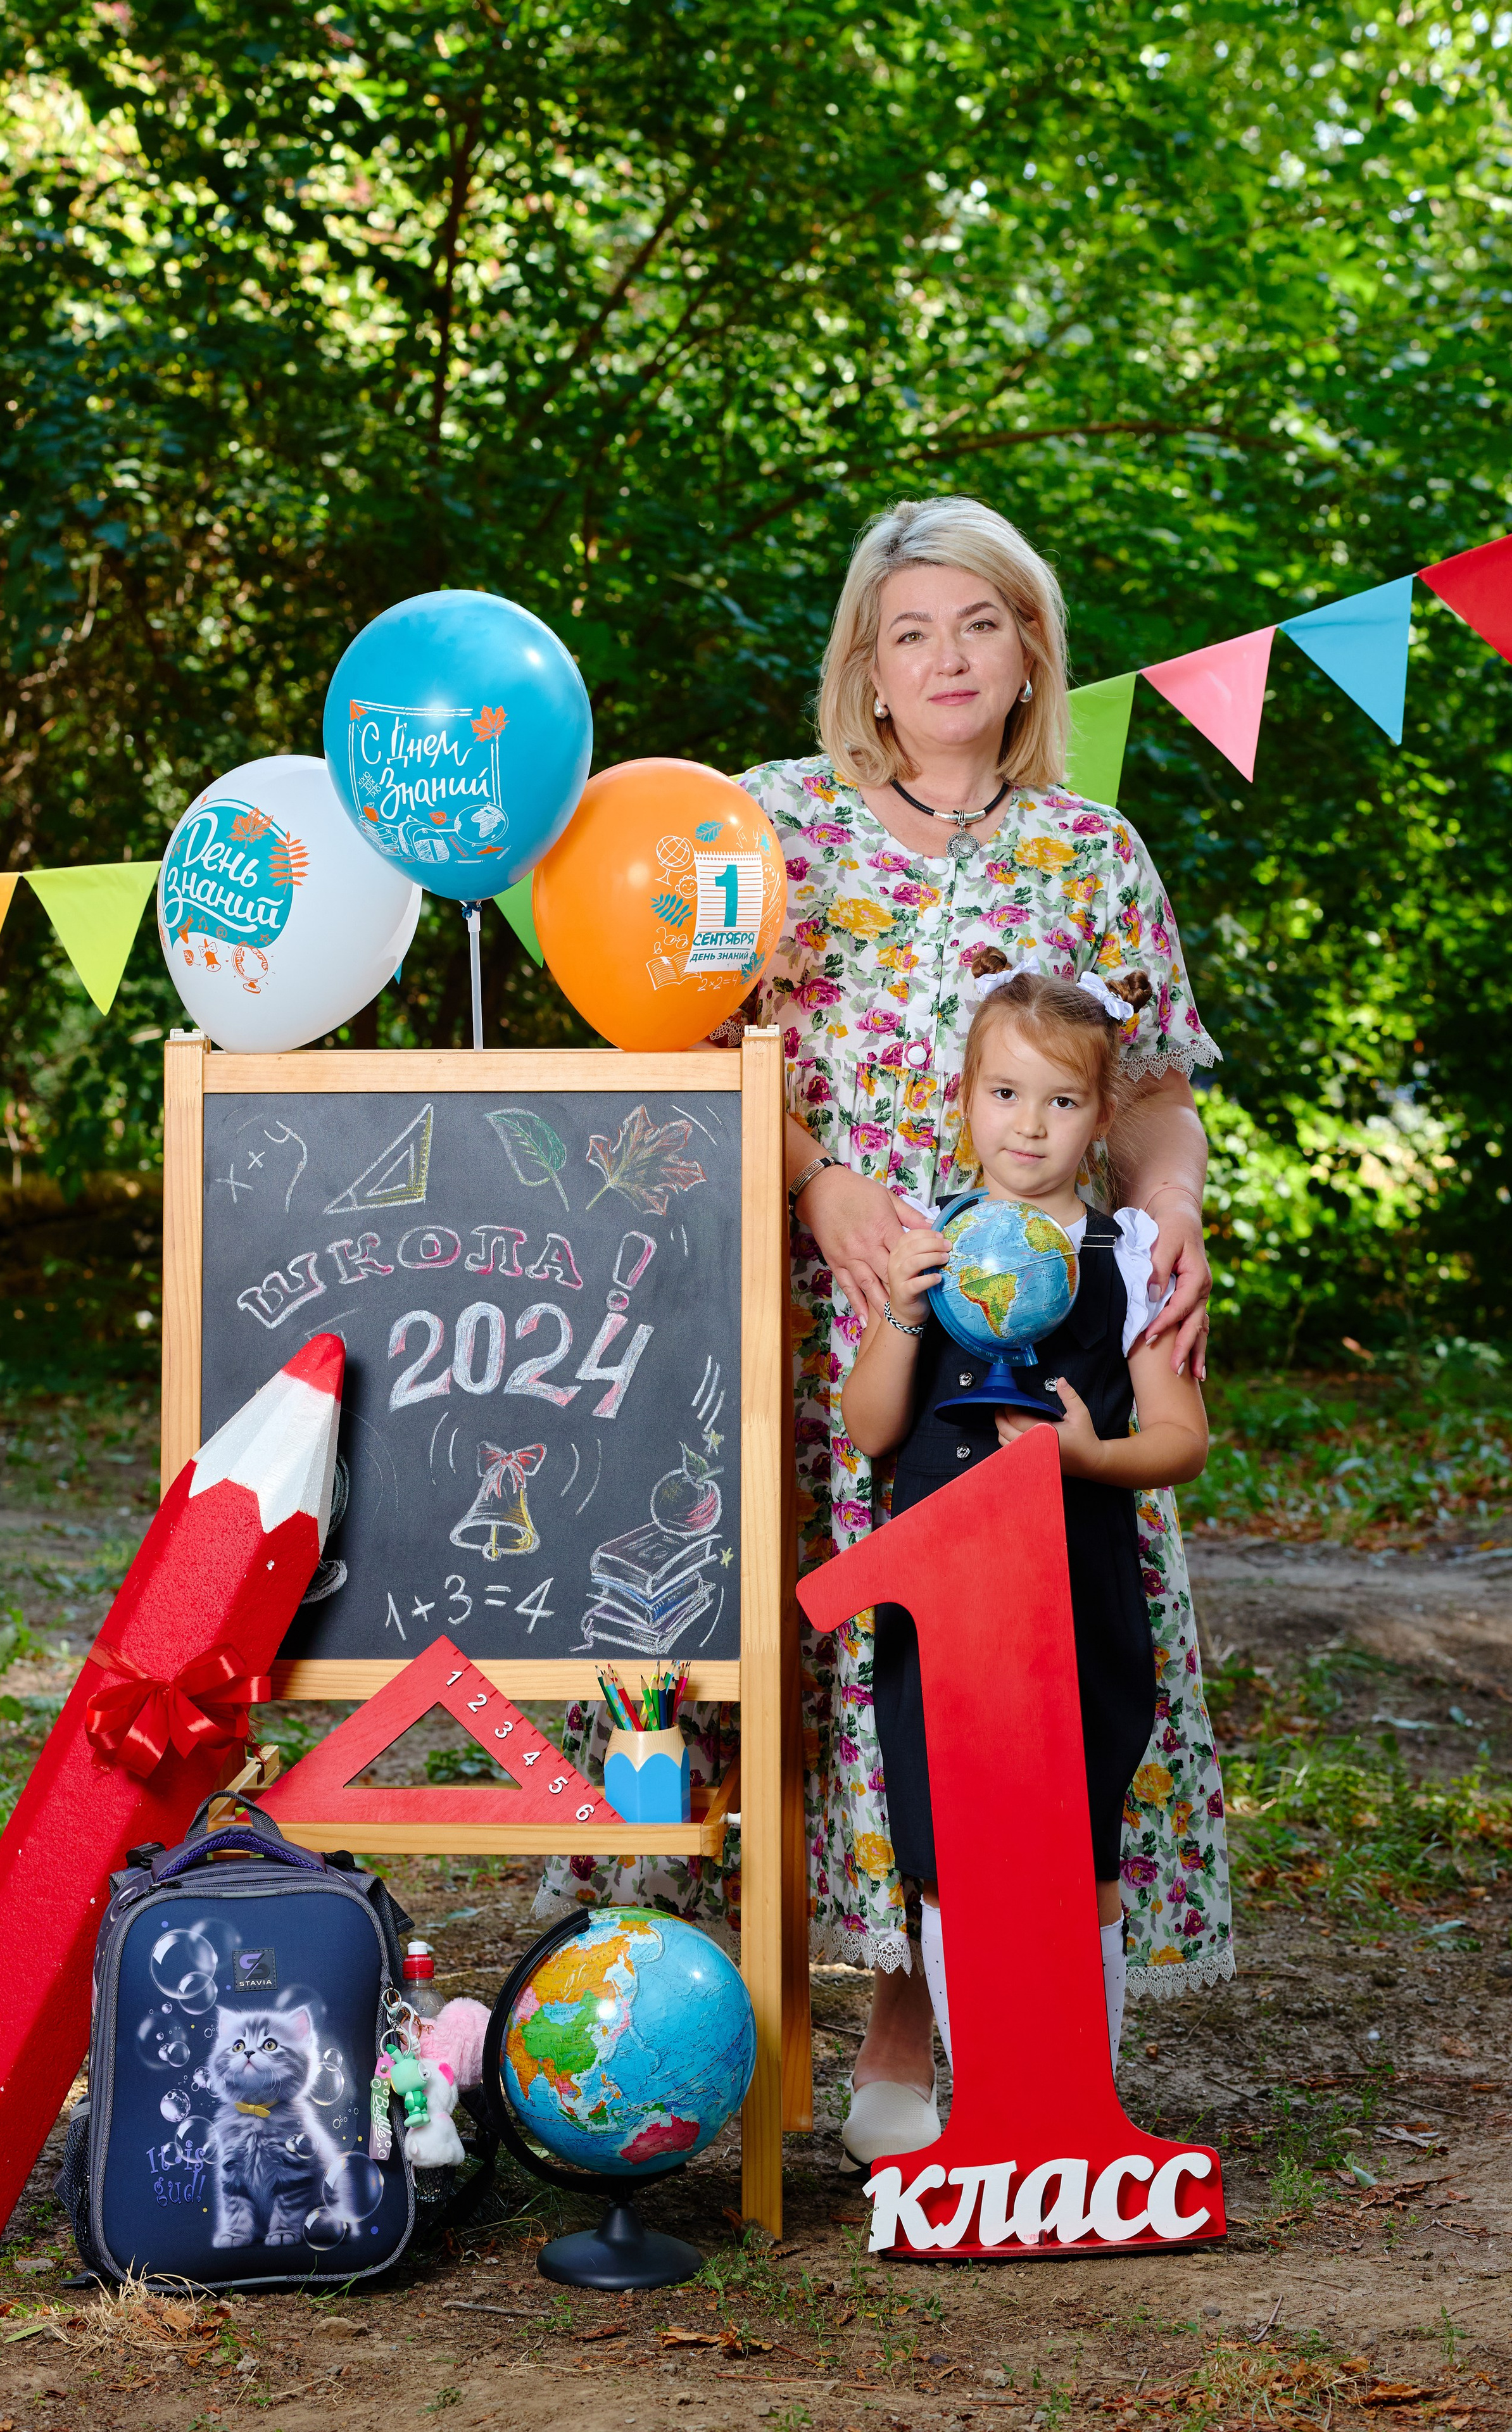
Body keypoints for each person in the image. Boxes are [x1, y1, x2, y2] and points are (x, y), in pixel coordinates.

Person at [537, 495, 1232, 2171]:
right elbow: (688, 1041)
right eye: (911, 629)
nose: (945, 658)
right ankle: (705, 2026)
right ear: (865, 655)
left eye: (978, 627)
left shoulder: (1089, 852)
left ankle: (922, 2020)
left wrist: (1177, 1215)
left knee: (982, 1676)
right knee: (781, 1656)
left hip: (1028, 1349)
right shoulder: (765, 831)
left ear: (1027, 651)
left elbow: (1150, 1098)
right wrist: (821, 1183)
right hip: (801, 1328)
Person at [842, 967, 1209, 2114]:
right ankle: (989, 2098)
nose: (1029, 1126)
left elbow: (1183, 1436)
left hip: (1076, 1589)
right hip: (939, 1603)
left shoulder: (1127, 1258)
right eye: (1005, 1094)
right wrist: (902, 1314)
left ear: (1102, 1121)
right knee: (948, 1844)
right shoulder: (931, 1246)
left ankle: (1076, 2101)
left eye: (1060, 1102)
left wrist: (1090, 1458)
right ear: (963, 1100)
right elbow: (870, 1429)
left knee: (1079, 1841)